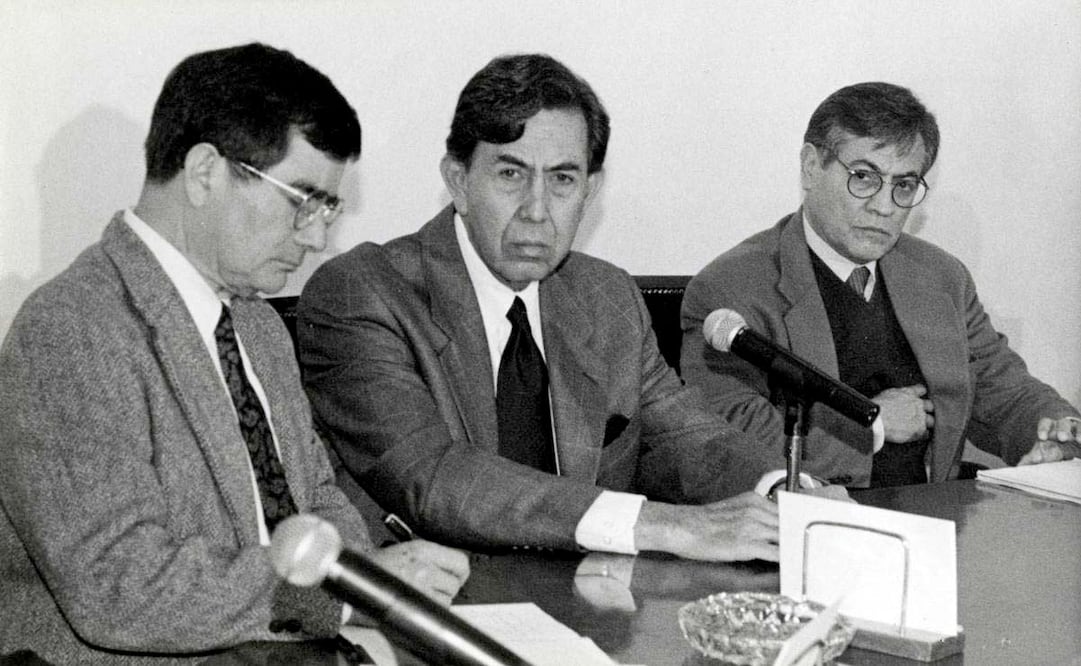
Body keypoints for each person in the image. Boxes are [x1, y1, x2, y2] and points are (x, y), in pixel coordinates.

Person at [0, 43, 468, 664]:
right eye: (304, 201)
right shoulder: (72, 329)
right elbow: (119, 587)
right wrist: (348, 596)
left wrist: (375, 576)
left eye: (328, 208)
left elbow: (317, 500)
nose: (319, 237)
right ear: (203, 172)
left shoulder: (257, 324)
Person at [299, 53, 840, 566]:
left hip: (586, 610)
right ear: (458, 181)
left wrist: (784, 493)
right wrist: (662, 526)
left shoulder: (607, 298)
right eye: (510, 174)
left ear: (590, 189)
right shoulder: (364, 293)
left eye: (562, 179)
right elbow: (433, 479)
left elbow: (684, 436)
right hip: (432, 614)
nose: (537, 211)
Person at [681, 81, 1081, 488]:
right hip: (807, 524)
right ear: (811, 166)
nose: (885, 206)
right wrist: (869, 426)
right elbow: (725, 428)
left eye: (904, 185)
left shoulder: (941, 276)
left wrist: (1053, 432)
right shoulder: (732, 287)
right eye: (864, 177)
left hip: (933, 519)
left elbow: (1002, 387)